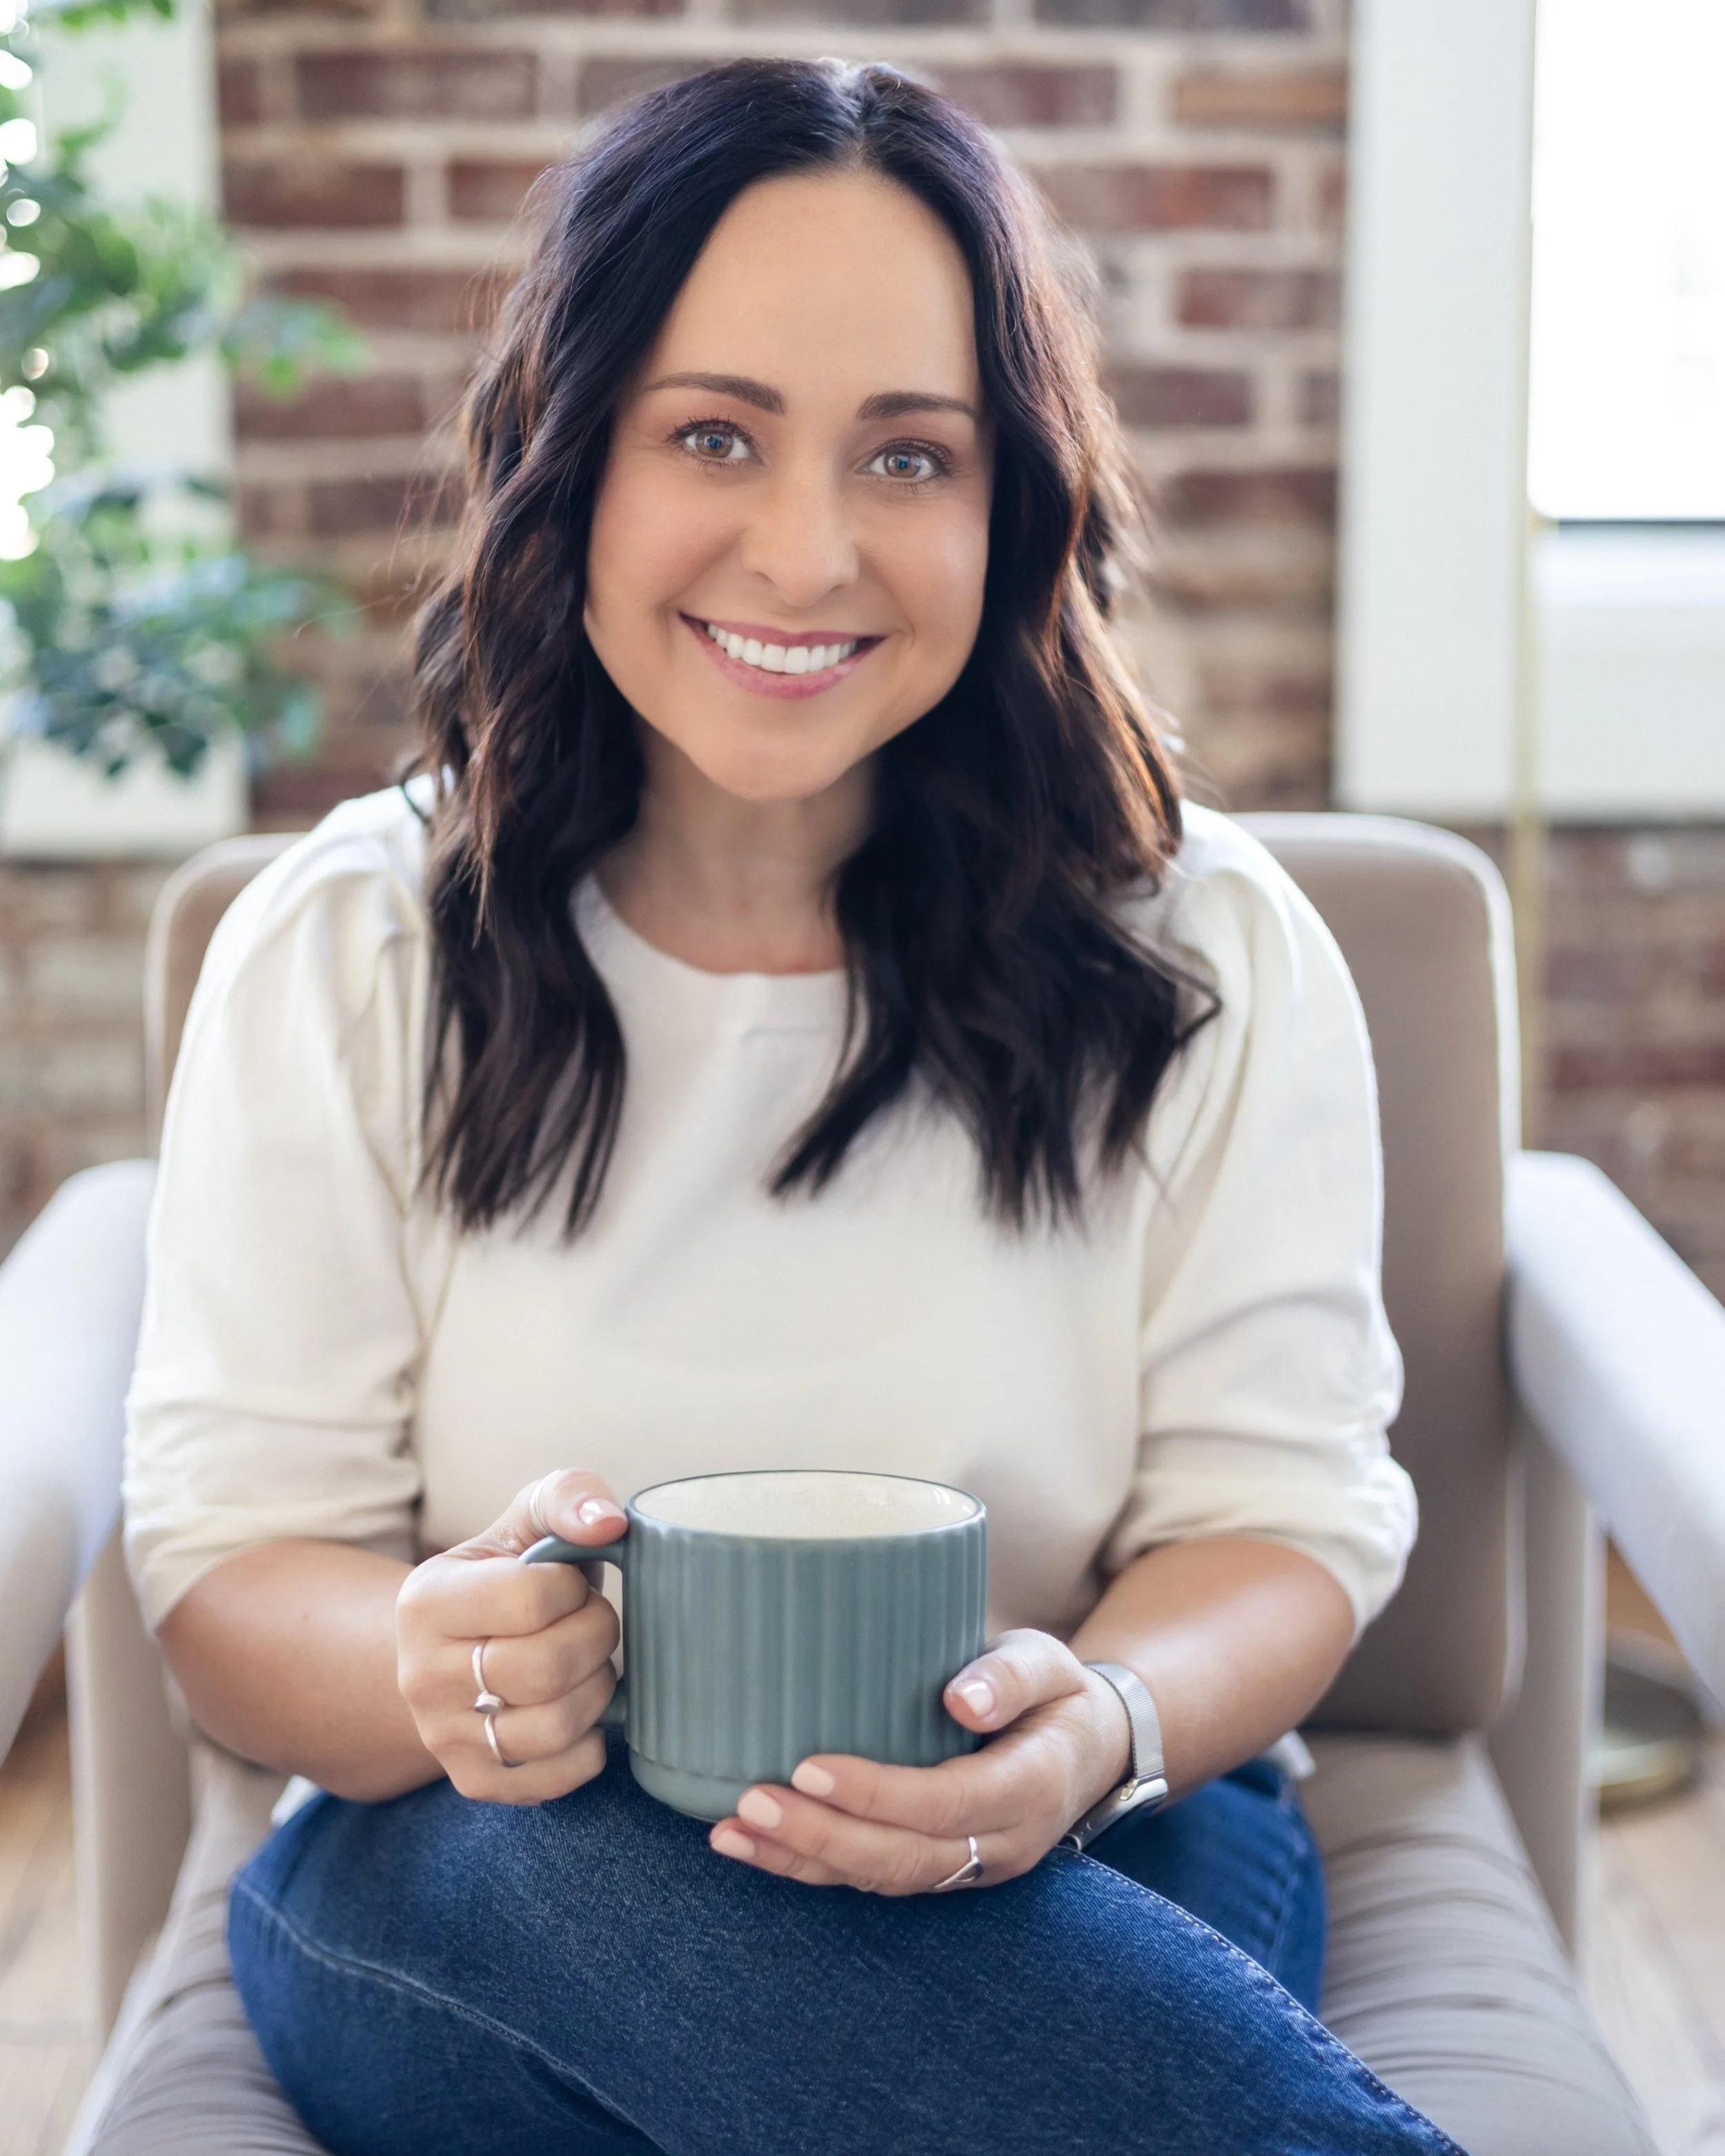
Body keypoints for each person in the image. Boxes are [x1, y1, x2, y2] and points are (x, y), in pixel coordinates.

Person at [125, 59, 1461, 2156]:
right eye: (715, 435)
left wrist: (1096, 1723)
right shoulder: (357, 943)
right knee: (608, 1898)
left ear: (1008, 499)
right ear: (574, 461)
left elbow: (1275, 1514)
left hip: (1081, 1837)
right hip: (500, 1857)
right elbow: (230, 1564)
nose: (808, 548)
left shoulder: (1203, 944)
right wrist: (432, 1664)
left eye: (906, 455)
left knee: (952, 2008)